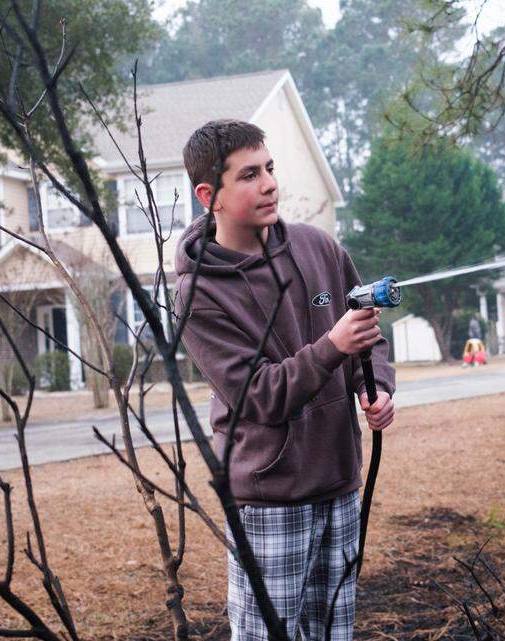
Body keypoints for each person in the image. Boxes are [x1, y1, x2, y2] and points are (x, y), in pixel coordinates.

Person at [174, 119, 396, 641]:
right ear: (211, 196)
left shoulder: (319, 249)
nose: (271, 183)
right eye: (249, 175)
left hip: (339, 484)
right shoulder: (200, 292)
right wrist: (333, 345)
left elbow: (370, 339)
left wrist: (378, 386)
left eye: (270, 168)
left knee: (332, 634)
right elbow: (259, 395)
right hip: (269, 500)